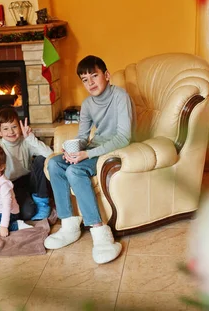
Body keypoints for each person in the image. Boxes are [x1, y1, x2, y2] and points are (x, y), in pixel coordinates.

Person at [44, 55, 133, 264]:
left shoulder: (121, 97)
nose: (90, 82)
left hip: (115, 149)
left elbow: (124, 137)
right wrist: (73, 150)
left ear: (107, 75)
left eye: (95, 75)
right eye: (85, 79)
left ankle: (101, 234)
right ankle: (69, 226)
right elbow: (84, 137)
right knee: (55, 163)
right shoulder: (87, 104)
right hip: (95, 148)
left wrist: (86, 155)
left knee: (75, 171)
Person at [0, 107, 53, 221]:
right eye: (5, 129)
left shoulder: (25, 142)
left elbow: (50, 155)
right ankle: (30, 201)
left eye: (14, 127)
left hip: (29, 180)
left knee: (40, 159)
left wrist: (30, 138)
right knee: (27, 214)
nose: (11, 132)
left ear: (20, 128)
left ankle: (42, 202)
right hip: (11, 185)